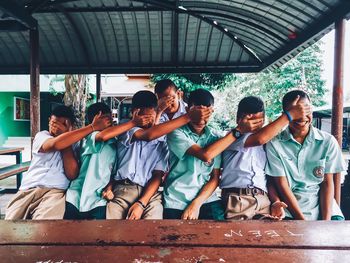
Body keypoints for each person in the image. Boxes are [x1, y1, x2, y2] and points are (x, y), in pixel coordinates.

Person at [5, 105, 109, 220]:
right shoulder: (42, 136)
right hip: (28, 189)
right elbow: (54, 144)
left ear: (71, 126)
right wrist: (92, 127)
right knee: (10, 225)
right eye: (55, 123)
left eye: (64, 125)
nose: (58, 127)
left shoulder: (77, 145)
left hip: (55, 193)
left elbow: (72, 174)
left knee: (44, 227)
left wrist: (65, 139)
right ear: (49, 121)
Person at [220, 95, 310, 220]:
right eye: (252, 121)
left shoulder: (269, 143)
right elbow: (259, 139)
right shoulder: (232, 137)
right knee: (238, 236)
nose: (255, 126)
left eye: (259, 121)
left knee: (268, 235)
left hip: (263, 201)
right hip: (238, 199)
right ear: (238, 119)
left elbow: (269, 179)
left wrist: (275, 202)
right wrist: (289, 115)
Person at [266, 90, 346, 220]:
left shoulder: (327, 142)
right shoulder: (274, 144)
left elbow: (327, 183)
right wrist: (302, 222)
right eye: (296, 112)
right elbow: (282, 185)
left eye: (306, 111)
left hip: (325, 209)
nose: (302, 116)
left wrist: (325, 222)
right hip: (290, 212)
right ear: (285, 115)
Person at [64, 102, 151, 220]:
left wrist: (109, 187)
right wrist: (133, 123)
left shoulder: (114, 144)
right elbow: (102, 136)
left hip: (99, 200)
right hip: (76, 197)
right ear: (96, 119)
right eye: (107, 118)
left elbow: (112, 173)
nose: (111, 121)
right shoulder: (90, 137)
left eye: (111, 118)